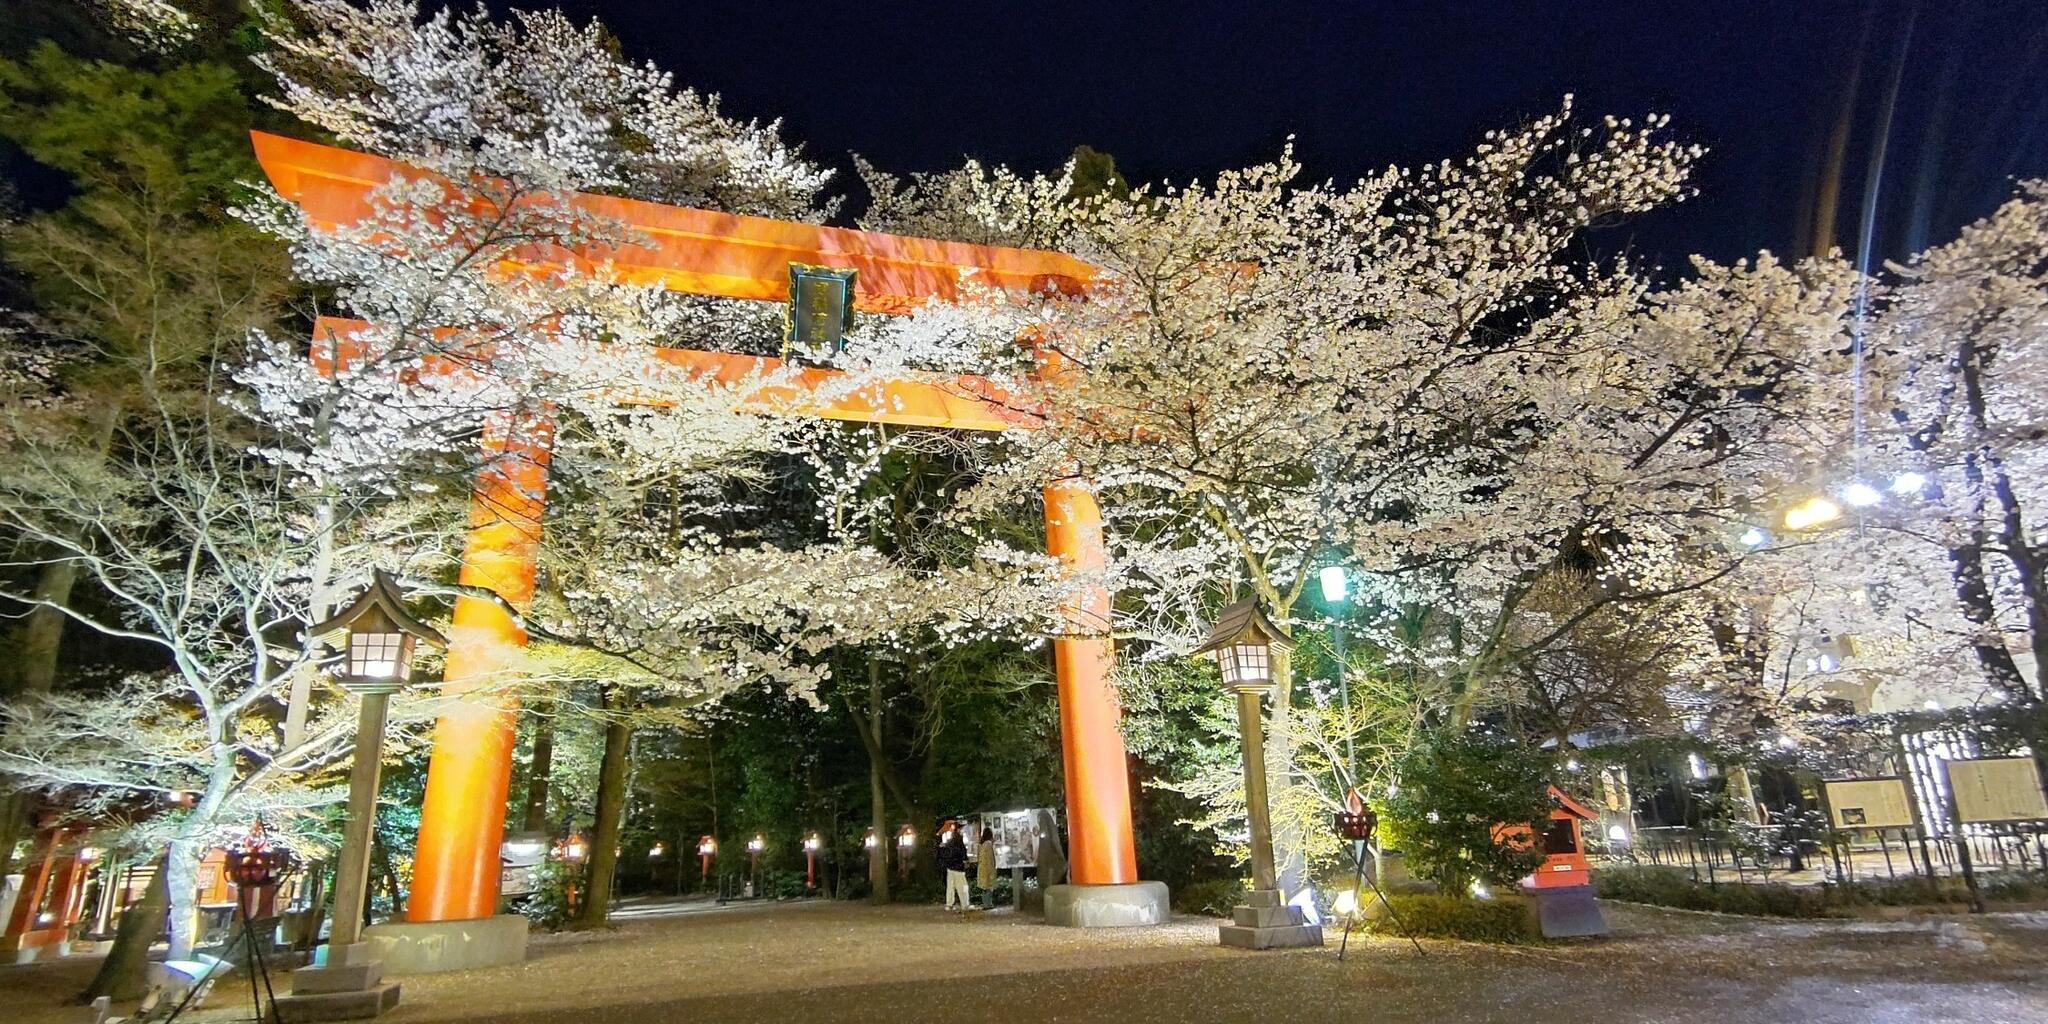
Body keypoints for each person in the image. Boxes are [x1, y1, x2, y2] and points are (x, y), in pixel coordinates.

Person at [939, 823, 970, 912]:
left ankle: (949, 904)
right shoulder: (959, 840)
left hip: (950, 867)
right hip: (958, 867)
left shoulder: (950, 841)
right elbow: (963, 853)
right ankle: (965, 904)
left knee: (950, 887)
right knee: (963, 886)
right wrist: (966, 860)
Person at [976, 821, 999, 909]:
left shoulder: (981, 844)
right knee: (989, 887)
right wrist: (993, 870)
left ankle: (985, 903)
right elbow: (990, 859)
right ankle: (988, 904)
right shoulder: (988, 845)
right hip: (987, 869)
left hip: (982, 868)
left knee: (984, 888)